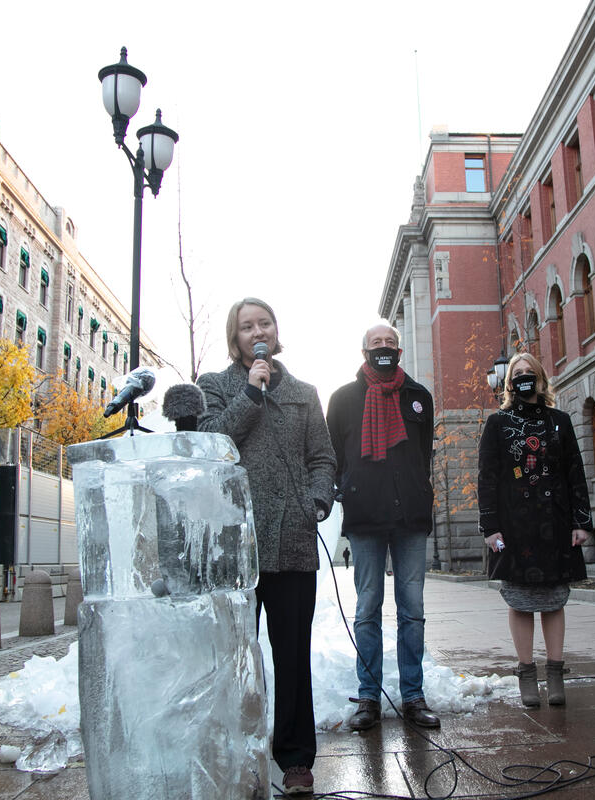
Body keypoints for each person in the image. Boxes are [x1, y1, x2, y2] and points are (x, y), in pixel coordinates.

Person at [197, 298, 336, 796]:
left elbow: (322, 458)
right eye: (246, 326)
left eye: (265, 323)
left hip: (292, 539)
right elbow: (210, 440)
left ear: (277, 331)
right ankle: (235, 749)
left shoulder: (304, 393)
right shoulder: (216, 387)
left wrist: (316, 500)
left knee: (292, 655)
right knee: (234, 655)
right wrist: (251, 397)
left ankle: (296, 759)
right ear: (235, 339)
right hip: (233, 542)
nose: (258, 332)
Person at [326, 322, 441, 732]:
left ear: (400, 351)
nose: (384, 348)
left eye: (391, 342)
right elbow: (336, 457)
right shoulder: (342, 399)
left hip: (410, 516)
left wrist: (418, 489)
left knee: (413, 610)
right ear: (364, 351)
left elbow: (423, 454)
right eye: (377, 343)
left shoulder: (418, 397)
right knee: (367, 608)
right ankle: (369, 698)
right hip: (365, 516)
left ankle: (413, 696)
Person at [477, 352, 591, 707]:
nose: (525, 377)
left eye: (530, 372)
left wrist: (581, 521)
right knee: (521, 600)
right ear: (511, 382)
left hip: (555, 523)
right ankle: (526, 672)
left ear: (541, 379)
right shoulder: (498, 423)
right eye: (518, 373)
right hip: (514, 526)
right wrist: (490, 526)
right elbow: (487, 478)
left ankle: (555, 673)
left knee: (554, 599)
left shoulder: (561, 421)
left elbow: (575, 472)